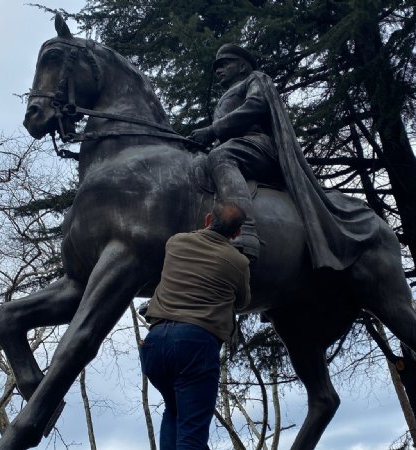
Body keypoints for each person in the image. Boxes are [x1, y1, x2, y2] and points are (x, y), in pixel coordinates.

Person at [189, 43, 379, 269]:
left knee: (221, 156)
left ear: (242, 66)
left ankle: (245, 230)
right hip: (241, 146)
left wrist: (212, 130)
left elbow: (256, 105)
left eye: (224, 64)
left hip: (260, 144)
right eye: (217, 67)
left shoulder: (255, 78)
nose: (219, 70)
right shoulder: (229, 93)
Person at [140, 201, 251, 450]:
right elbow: (243, 302)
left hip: (155, 344)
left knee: (174, 411)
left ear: (208, 219)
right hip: (194, 345)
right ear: (237, 233)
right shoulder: (238, 262)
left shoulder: (175, 242)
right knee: (191, 433)